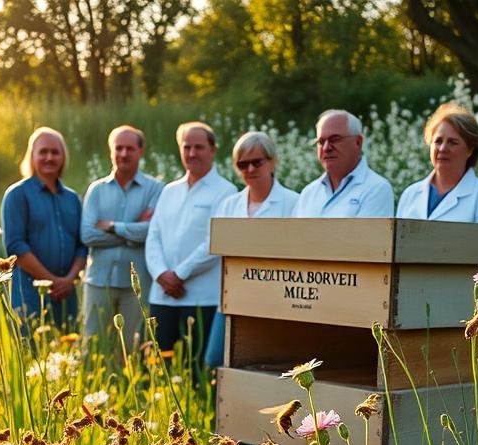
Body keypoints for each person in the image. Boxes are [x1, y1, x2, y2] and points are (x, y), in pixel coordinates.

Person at [204, 131, 300, 368]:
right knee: (215, 359)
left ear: (272, 161)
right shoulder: (228, 205)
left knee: (263, 364)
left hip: (274, 298)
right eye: (242, 164)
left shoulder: (293, 202)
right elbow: (216, 247)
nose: (250, 169)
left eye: (257, 162)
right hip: (232, 296)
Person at [145, 122, 237, 360]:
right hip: (162, 294)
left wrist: (179, 275)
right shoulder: (169, 190)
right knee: (160, 366)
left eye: (199, 147)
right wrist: (161, 274)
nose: (192, 153)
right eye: (187, 147)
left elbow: (214, 242)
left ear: (213, 150)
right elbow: (153, 235)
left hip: (200, 297)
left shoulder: (225, 192)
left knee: (195, 370)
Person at [80, 125, 164, 345]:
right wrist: (132, 231)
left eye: (130, 148)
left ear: (140, 151)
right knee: (94, 345)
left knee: (131, 347)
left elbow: (152, 232)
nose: (123, 154)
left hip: (137, 285)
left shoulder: (156, 189)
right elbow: (88, 235)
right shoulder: (96, 190)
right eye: (118, 148)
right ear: (111, 151)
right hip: (98, 280)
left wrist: (112, 226)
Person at [0, 127, 87, 325]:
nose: (49, 157)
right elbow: (16, 247)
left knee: (68, 352)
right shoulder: (17, 195)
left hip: (67, 295)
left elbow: (83, 246)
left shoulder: (73, 199)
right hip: (29, 294)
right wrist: (51, 282)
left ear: (63, 157)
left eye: (55, 152)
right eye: (43, 152)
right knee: (32, 351)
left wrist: (69, 281)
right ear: (32, 156)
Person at [396, 103, 478, 224]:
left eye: (452, 142)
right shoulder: (410, 194)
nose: (443, 148)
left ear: (470, 149)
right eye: (438, 141)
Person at [292, 109, 394, 218]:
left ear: (358, 142)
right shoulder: (309, 193)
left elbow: (365, 235)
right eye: (321, 142)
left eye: (335, 139)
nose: (326, 148)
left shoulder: (376, 189)